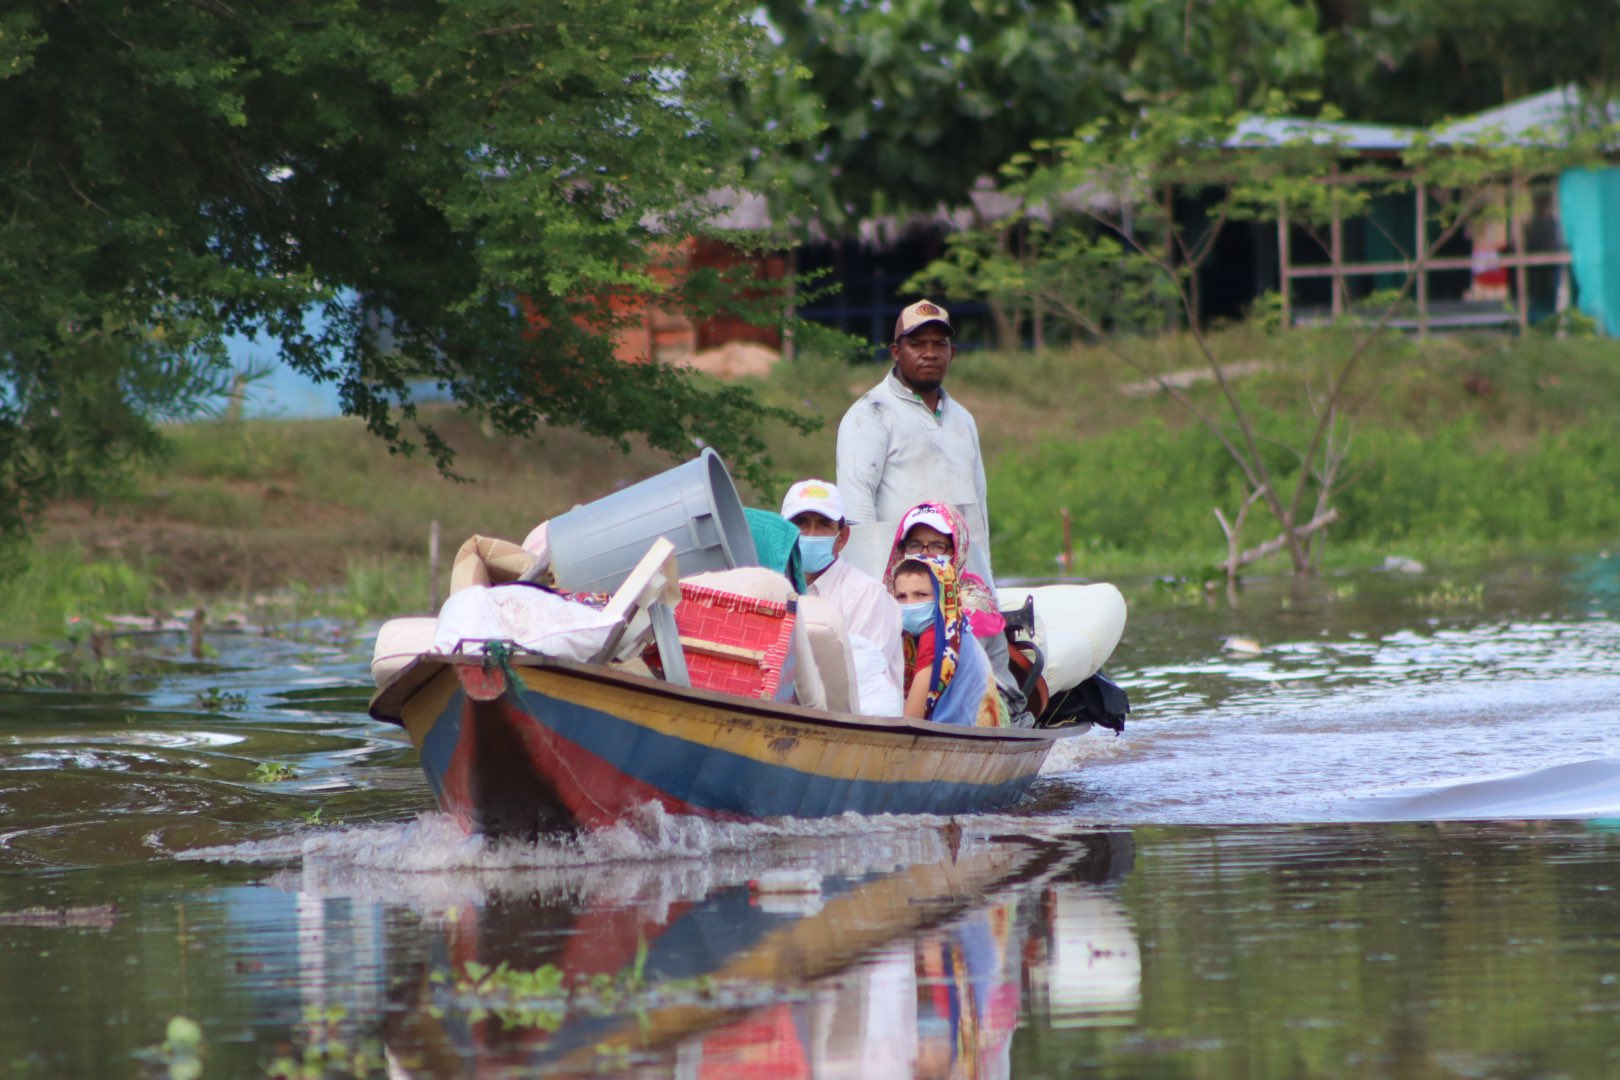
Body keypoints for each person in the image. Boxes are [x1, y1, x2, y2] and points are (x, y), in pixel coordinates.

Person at [836, 298, 995, 586]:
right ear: (896, 352)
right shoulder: (869, 415)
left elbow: (977, 511)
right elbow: (857, 511)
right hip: (902, 588)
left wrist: (986, 586)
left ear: (953, 353)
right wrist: (877, 593)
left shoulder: (963, 420)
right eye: (918, 344)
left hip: (961, 585)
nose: (930, 353)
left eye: (939, 344)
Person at [884, 502, 1032, 725]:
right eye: (915, 545)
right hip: (925, 694)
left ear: (956, 549)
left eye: (936, 546)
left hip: (986, 702)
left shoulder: (967, 605)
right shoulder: (896, 592)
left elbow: (951, 674)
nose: (925, 554)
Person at [781, 479, 904, 699]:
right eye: (800, 522)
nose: (811, 533)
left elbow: (855, 683)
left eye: (823, 524)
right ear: (782, 531)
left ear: (843, 537)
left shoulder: (867, 595)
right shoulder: (774, 587)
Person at [890, 556, 1006, 726]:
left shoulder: (937, 638)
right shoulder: (958, 629)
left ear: (943, 594)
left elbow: (910, 720)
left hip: (961, 736)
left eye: (920, 595)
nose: (910, 604)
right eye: (901, 597)